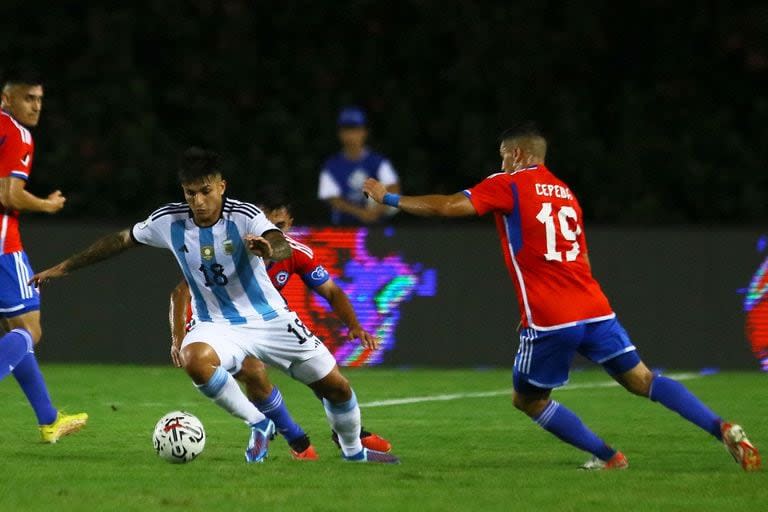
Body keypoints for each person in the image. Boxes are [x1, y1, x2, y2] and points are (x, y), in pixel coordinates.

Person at [362, 124, 761, 471]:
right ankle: (721, 427)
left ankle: (609, 457)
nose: (501, 164)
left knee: (527, 400)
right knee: (642, 379)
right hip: (595, 307)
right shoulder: (567, 194)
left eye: (503, 156)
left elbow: (449, 206)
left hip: (551, 316)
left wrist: (390, 199)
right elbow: (582, 256)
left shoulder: (510, 184)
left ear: (517, 154)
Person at [32, 147, 398, 464]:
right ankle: (259, 423)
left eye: (206, 191)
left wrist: (271, 248)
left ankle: (353, 452)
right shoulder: (168, 221)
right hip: (217, 324)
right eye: (191, 193)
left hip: (271, 319)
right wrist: (64, 268)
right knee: (195, 359)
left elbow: (278, 241)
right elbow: (120, 240)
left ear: (221, 186)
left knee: (337, 388)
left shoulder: (244, 215)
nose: (198, 201)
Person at [169, 199, 393, 458]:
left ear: (290, 225)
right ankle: (297, 441)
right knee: (254, 371)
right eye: (266, 224)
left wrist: (354, 325)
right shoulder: (225, 248)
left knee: (328, 379)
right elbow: (180, 291)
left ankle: (349, 437)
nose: (272, 230)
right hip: (221, 325)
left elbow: (331, 291)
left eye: (279, 225)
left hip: (269, 323)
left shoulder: (296, 252)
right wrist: (179, 338)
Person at [0, 70, 87, 443]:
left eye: (39, 99)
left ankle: (49, 418)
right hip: (3, 247)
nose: (35, 106)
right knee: (28, 330)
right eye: (27, 98)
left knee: (12, 331)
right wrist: (48, 206)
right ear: (7, 99)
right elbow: (9, 195)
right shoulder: (18, 134)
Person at [317, 106, 400, 225]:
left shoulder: (378, 161)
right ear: (340, 133)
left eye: (355, 129)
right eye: (347, 129)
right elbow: (333, 199)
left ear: (364, 132)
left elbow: (393, 187)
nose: (351, 135)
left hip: (377, 228)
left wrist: (378, 210)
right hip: (343, 230)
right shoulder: (331, 165)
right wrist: (361, 213)